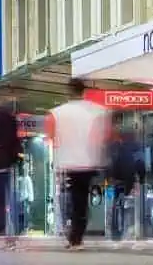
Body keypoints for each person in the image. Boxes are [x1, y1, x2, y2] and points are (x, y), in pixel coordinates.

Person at [47, 79, 109, 251]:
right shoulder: (96, 111)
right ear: (84, 91)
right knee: (81, 201)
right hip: (88, 162)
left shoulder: (58, 112)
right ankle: (76, 236)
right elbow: (101, 136)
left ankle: (75, 237)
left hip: (69, 162)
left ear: (69, 91)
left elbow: (51, 136)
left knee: (74, 200)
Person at [107, 122, 145, 242]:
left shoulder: (114, 146)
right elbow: (140, 163)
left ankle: (115, 233)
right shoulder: (136, 147)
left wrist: (108, 177)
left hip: (115, 181)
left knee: (114, 205)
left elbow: (109, 163)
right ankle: (129, 230)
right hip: (129, 181)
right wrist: (141, 179)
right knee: (129, 206)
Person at [16, 161, 34, 235]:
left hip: (25, 199)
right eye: (24, 169)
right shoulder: (20, 178)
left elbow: (30, 190)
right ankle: (22, 229)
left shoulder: (27, 179)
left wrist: (30, 199)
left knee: (25, 214)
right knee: (22, 214)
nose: (25, 171)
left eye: (26, 169)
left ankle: (25, 228)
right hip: (21, 199)